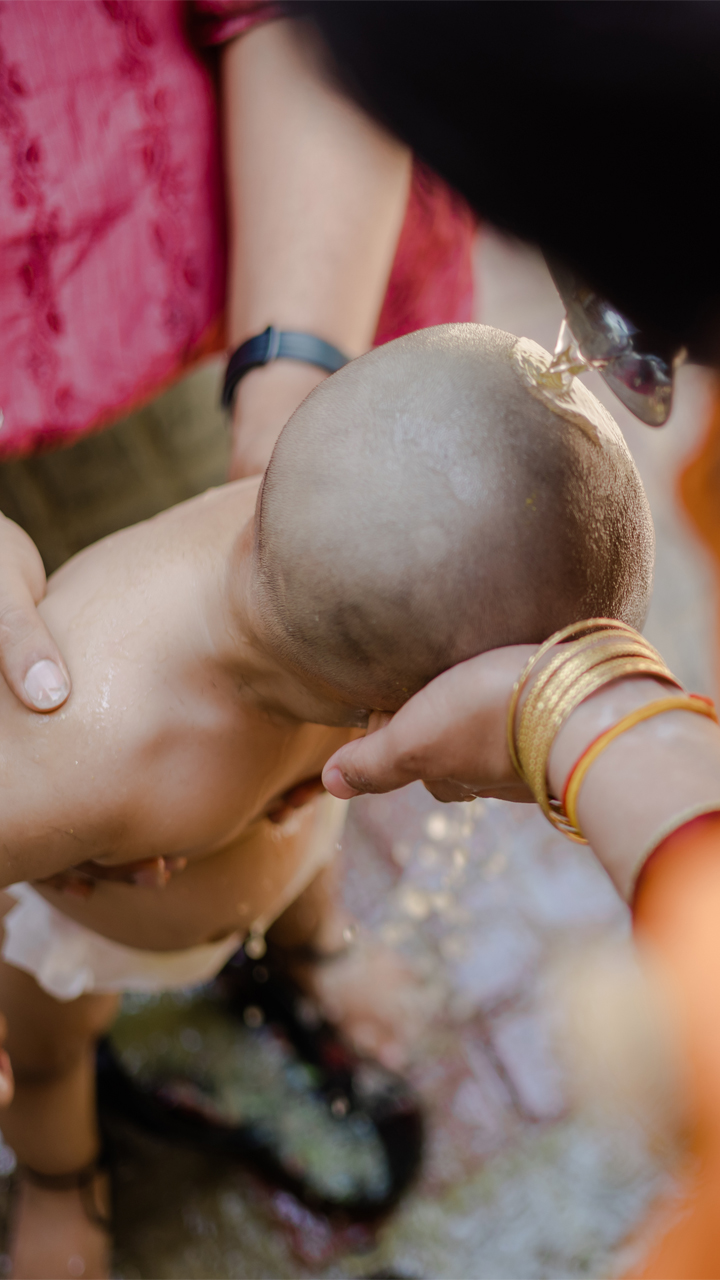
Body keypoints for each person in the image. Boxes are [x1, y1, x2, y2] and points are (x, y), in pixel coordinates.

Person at [0, 322, 652, 1277]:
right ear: (394, 708)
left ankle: (309, 946)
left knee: (309, 824)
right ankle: (64, 1181)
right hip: (88, 939)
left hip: (268, 831)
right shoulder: (94, 738)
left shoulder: (327, 556)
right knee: (54, 1060)